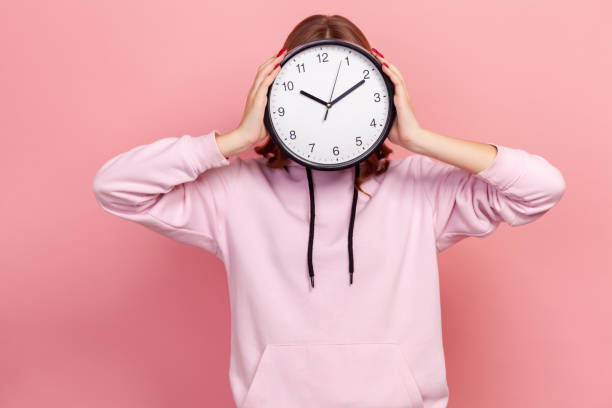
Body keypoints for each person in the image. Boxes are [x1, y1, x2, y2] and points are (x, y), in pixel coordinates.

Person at [92, 14, 566, 408]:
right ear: (273, 96)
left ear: (382, 98)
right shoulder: (236, 193)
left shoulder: (421, 189)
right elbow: (116, 187)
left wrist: (418, 139)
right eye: (307, 93)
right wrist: (233, 140)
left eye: (353, 96)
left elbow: (542, 187)